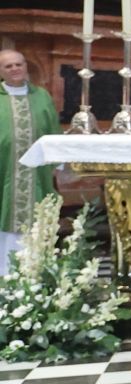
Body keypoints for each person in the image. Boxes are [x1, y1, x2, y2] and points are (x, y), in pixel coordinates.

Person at [0, 49, 58, 276]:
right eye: (8, 66)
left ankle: (36, 273)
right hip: (4, 171)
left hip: (37, 173)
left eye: (18, 64)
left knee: (37, 218)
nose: (15, 69)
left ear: (26, 66)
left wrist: (58, 162)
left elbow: (52, 128)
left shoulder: (42, 96)